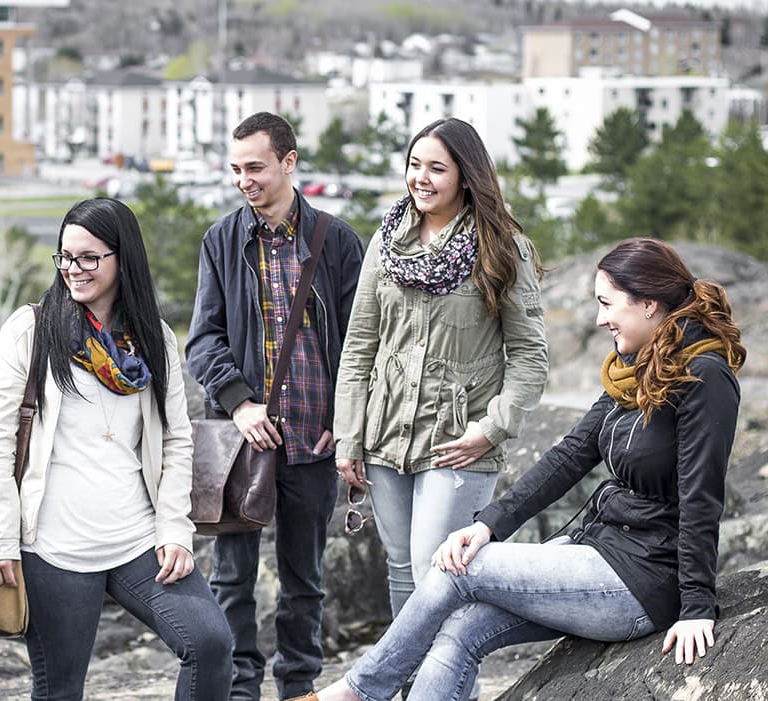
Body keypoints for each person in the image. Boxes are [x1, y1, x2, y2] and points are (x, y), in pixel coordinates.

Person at [294, 237, 745, 701]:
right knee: (461, 630)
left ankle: (355, 693)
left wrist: (696, 608)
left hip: (643, 579)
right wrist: (490, 524)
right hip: (601, 548)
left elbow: (700, 498)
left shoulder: (705, 376)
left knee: (457, 569)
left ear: (648, 304)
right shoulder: (637, 366)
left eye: (607, 304)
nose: (598, 319)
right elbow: (571, 454)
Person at [0, 197, 233, 701]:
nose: (74, 269)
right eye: (66, 257)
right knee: (60, 690)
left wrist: (176, 529)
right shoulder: (30, 330)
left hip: (138, 539)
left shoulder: (154, 339)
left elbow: (178, 439)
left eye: (89, 257)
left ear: (123, 259)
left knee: (209, 643)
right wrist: (0, 535)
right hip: (54, 548)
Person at [331, 117, 547, 693]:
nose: (420, 178)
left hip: (459, 441)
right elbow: (358, 348)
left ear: (466, 175)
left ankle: (450, 690)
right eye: (414, 164)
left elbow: (530, 357)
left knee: (440, 573)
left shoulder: (503, 248)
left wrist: (493, 429)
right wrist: (348, 439)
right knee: (402, 574)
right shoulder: (388, 239)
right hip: (384, 436)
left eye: (436, 167)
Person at [186, 111, 365, 701]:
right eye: (236, 168)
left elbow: (363, 343)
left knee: (304, 582)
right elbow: (203, 340)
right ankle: (239, 690)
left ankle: (298, 688)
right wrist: (238, 404)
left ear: (290, 163)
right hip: (242, 444)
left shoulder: (337, 241)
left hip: (315, 440)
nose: (244, 179)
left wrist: (347, 425)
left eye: (255, 167)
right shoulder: (221, 239)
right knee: (231, 578)